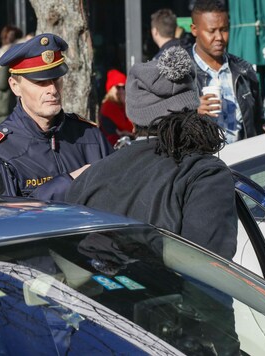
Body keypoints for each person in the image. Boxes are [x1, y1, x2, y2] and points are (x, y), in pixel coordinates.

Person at [66, 46, 237, 260]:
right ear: (192, 109)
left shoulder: (92, 176)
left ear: (134, 117)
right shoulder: (205, 174)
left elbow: (69, 255)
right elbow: (209, 270)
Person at [0, 33, 112, 201]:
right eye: (40, 82)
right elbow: (1, 218)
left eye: (56, 79)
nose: (52, 90)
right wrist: (69, 183)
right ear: (15, 86)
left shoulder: (90, 135)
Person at [190, 0, 264, 142]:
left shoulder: (244, 70)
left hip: (243, 160)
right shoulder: (181, 74)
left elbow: (257, 124)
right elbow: (164, 124)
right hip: (201, 162)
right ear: (194, 30)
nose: (219, 38)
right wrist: (191, 111)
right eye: (211, 31)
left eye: (224, 30)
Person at [0, 25, 23, 127]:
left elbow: (2, 83)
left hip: (6, 101)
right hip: (7, 99)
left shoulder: (8, 54)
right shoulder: (13, 52)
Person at [98, 69, 132, 146]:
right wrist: (126, 103)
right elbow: (128, 126)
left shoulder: (119, 105)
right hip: (112, 146)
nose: (121, 91)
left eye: (123, 87)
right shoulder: (109, 105)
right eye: (118, 87)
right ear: (111, 88)